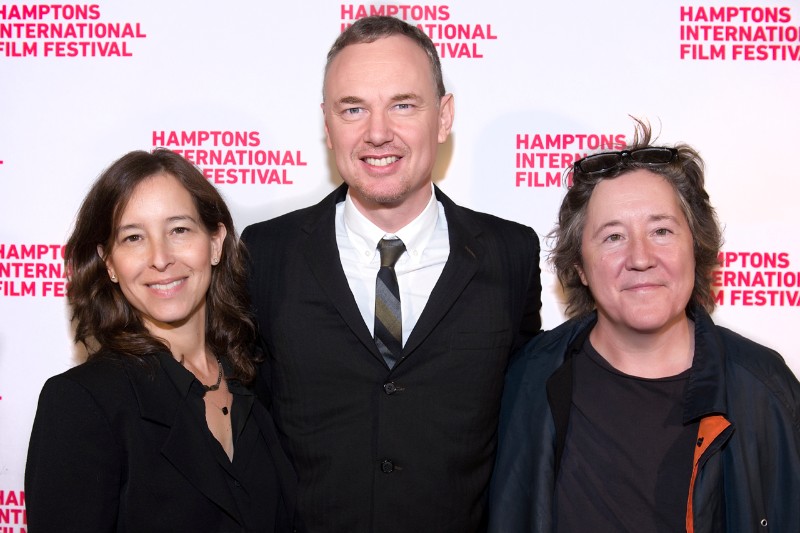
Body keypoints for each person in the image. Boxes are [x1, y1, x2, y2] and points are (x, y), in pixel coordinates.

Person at [241, 15, 542, 533]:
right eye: (353, 108)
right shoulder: (267, 253)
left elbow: (523, 420)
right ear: (327, 124)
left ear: (443, 117)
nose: (377, 132)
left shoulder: (509, 253)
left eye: (403, 105)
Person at [488, 120, 800, 532]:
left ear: (696, 248)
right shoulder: (526, 379)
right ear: (580, 266)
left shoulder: (764, 389)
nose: (640, 257)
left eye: (661, 231)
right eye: (613, 237)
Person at [25, 149, 296, 532]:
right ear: (109, 263)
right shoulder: (82, 403)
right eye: (133, 237)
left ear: (215, 243)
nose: (160, 258)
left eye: (179, 230)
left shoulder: (257, 378)